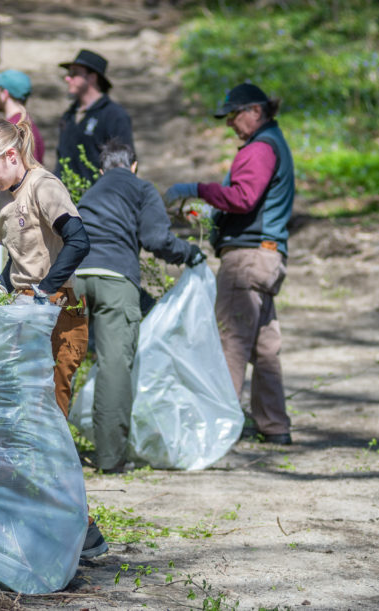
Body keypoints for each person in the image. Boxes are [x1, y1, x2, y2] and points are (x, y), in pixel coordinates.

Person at [0, 116, 107, 560]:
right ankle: (40, 522)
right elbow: (20, 264)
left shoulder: (44, 186)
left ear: (12, 155)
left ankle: (82, 531)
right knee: (21, 422)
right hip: (29, 316)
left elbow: (79, 242)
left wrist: (44, 293)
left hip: (59, 314)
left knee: (49, 425)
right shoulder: (7, 201)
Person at [164, 82, 295, 445]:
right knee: (265, 348)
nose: (230, 125)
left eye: (233, 115)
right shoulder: (273, 143)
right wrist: (210, 216)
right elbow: (249, 202)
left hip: (247, 259)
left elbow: (244, 197)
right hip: (268, 256)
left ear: (256, 111)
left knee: (230, 344)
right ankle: (275, 427)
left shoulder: (260, 148)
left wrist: (197, 189)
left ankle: (219, 429)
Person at [76, 139, 205, 473]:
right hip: (115, 280)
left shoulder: (90, 193)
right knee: (114, 367)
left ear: (102, 169)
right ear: (134, 165)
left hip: (73, 277)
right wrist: (188, 252)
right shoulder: (141, 188)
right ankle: (111, 458)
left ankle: (53, 452)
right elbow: (156, 240)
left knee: (63, 363)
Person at [55, 50, 134, 184]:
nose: (67, 78)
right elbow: (61, 159)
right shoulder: (68, 116)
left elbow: (124, 165)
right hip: (66, 199)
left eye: (74, 74)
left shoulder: (114, 115)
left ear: (92, 77)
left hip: (100, 200)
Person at [0, 69, 44, 232]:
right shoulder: (29, 126)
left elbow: (1, 175)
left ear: (4, 93)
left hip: (11, 213)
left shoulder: (11, 130)